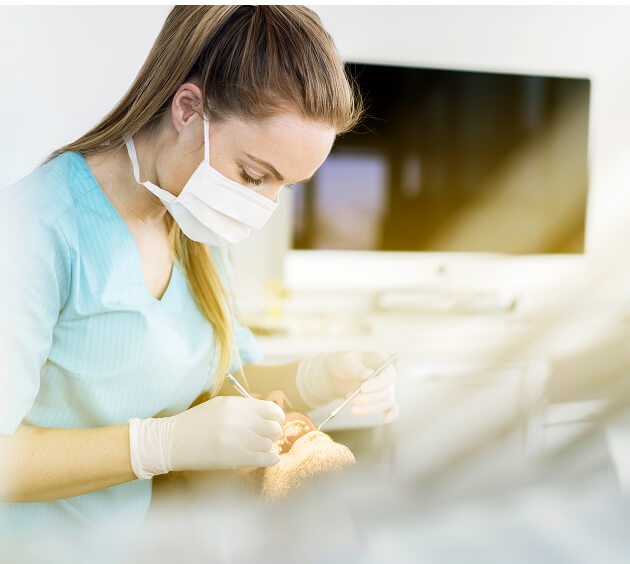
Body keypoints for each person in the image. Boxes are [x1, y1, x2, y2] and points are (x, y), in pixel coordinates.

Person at [0, 5, 398, 537]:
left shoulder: (191, 222)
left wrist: (316, 376)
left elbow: (220, 386)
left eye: (286, 188)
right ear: (188, 109)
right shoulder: (37, 230)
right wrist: (158, 445)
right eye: (254, 175)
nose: (262, 206)